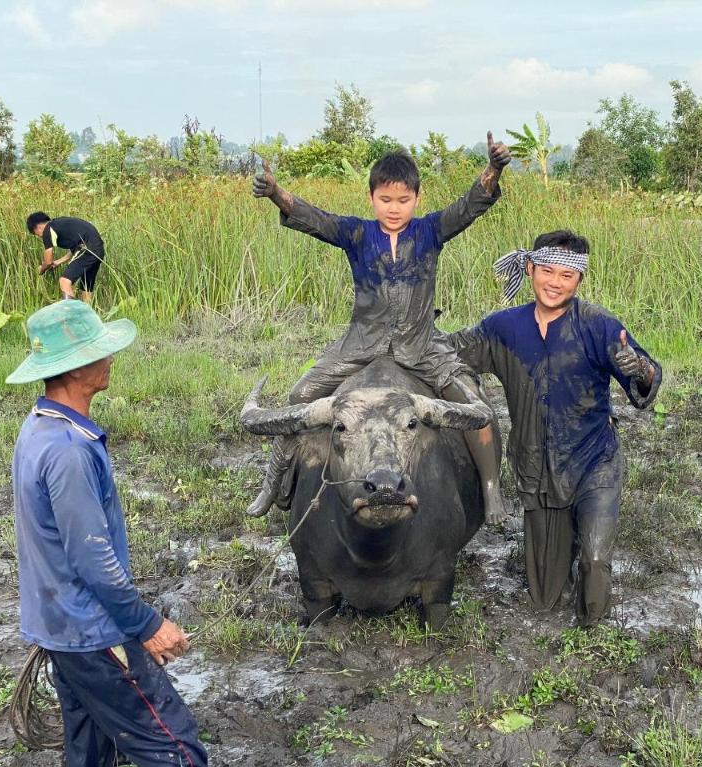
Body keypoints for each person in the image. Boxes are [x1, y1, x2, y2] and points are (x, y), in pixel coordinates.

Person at [7, 299, 215, 767]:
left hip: (58, 623)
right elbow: (92, 557)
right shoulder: (70, 451)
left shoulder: (40, 426)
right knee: (173, 739)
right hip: (92, 628)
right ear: (77, 368)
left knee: (91, 737)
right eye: (102, 351)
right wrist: (148, 626)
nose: (111, 358)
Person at [247, 138, 511, 523]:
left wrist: (495, 169)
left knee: (477, 408)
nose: (394, 208)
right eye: (385, 199)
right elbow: (314, 217)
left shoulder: (431, 231)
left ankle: (491, 491)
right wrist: (274, 193)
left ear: (417, 199)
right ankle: (277, 482)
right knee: (300, 394)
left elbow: (469, 205)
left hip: (421, 346)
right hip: (360, 344)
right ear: (371, 198)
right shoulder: (357, 235)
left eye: (403, 200)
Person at [447, 230, 662, 625]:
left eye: (567, 275)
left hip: (594, 462)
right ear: (530, 269)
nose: (555, 282)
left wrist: (643, 369)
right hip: (537, 469)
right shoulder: (503, 328)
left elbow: (646, 377)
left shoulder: (599, 326)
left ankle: (592, 636)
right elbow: (449, 351)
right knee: (545, 596)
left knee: (595, 560)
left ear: (579, 280)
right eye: (547, 271)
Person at [26, 212, 105, 303]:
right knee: (86, 287)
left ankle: (71, 314)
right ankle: (87, 314)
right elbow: (75, 249)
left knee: (64, 281)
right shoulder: (60, 225)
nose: (39, 236)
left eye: (36, 234)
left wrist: (41, 269)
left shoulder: (48, 229)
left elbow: (48, 262)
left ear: (37, 227)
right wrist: (58, 262)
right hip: (98, 250)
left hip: (87, 249)